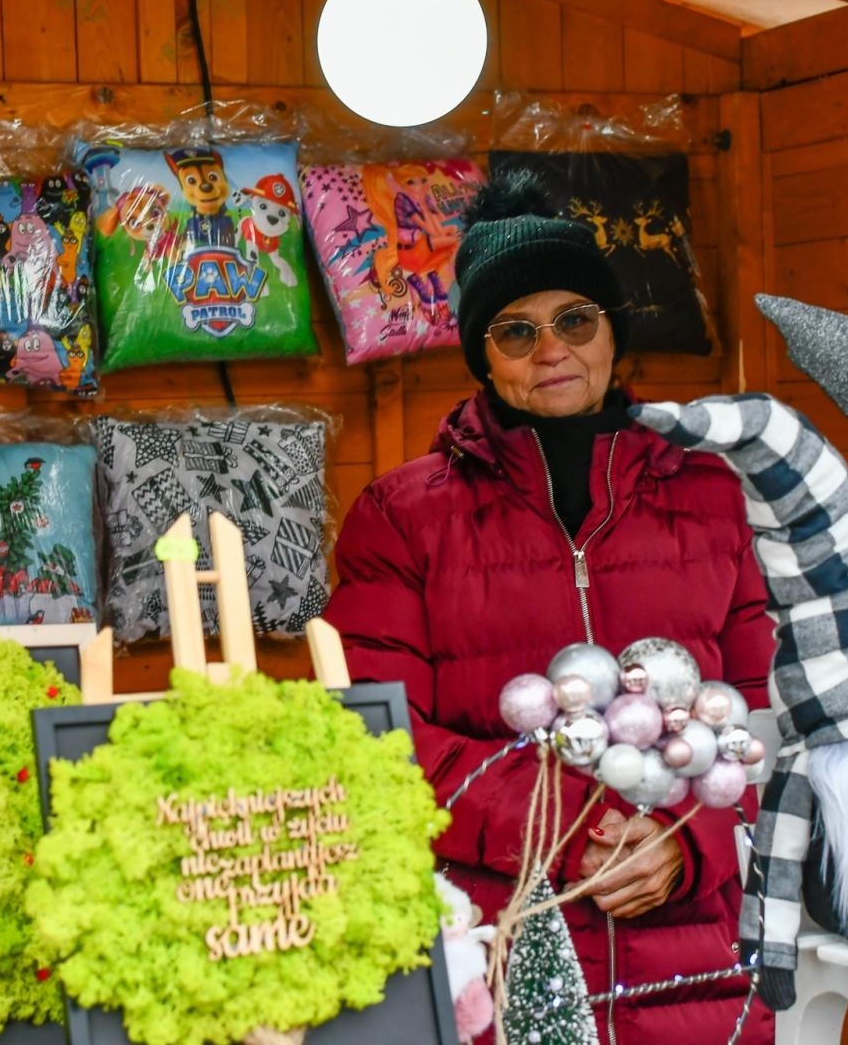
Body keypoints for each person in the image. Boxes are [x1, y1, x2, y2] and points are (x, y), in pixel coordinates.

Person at [322, 171, 775, 1044]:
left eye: (575, 319)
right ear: (482, 356)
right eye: (516, 331)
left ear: (613, 331)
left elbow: (769, 715)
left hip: (696, 957)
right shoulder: (401, 516)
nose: (551, 350)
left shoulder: (716, 496)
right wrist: (574, 826)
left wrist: (688, 840)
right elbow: (376, 735)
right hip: (498, 946)